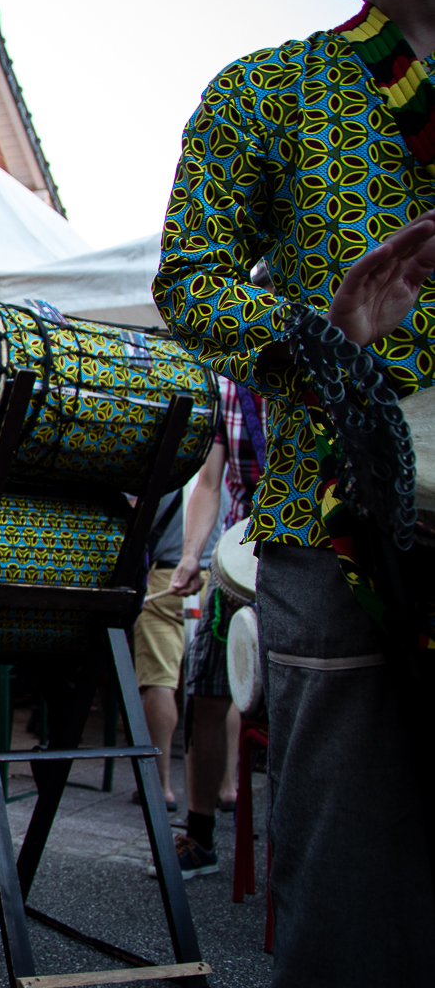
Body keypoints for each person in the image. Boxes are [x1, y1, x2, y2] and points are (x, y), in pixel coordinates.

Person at [154, 0, 435, 988]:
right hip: (337, 521)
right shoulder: (274, 90)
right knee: (350, 899)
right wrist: (321, 338)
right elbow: (191, 280)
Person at [167, 373, 267, 879]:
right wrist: (191, 555)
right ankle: (200, 835)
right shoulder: (230, 389)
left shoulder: (323, 364)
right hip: (237, 556)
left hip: (311, 551)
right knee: (205, 690)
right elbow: (209, 483)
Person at [131, 489, 195, 815]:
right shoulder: (220, 475)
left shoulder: (168, 469)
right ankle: (227, 786)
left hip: (168, 576)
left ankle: (160, 785)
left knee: (160, 680)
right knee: (215, 690)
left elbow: (131, 511)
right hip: (212, 577)